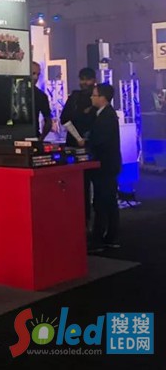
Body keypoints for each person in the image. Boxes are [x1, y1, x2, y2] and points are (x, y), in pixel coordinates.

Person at [84, 84, 122, 251]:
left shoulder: (106, 117)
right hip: (108, 165)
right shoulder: (103, 114)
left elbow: (100, 141)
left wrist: (86, 142)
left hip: (105, 165)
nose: (91, 97)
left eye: (94, 95)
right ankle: (110, 237)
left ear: (103, 98)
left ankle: (99, 239)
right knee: (108, 201)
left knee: (102, 202)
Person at [60, 67, 97, 225]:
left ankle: (92, 220)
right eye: (82, 79)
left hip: (93, 145)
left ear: (94, 80)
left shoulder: (97, 97)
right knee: (76, 183)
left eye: (87, 79)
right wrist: (78, 138)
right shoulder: (74, 97)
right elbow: (64, 119)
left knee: (93, 183)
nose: (84, 82)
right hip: (74, 145)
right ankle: (80, 219)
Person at [31, 62, 52, 140]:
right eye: (33, 73)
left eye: (38, 74)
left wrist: (41, 138)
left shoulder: (41, 95)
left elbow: (48, 121)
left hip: (33, 136)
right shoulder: (13, 91)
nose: (36, 77)